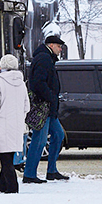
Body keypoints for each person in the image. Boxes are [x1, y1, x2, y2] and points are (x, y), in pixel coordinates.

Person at [25, 35, 69, 183]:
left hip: (49, 107)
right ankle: (29, 174)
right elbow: (38, 83)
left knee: (58, 135)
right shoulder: (44, 59)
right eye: (58, 46)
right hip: (44, 106)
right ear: (51, 45)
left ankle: (51, 171)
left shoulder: (46, 58)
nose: (60, 48)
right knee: (39, 140)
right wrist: (50, 97)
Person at [0, 54, 30, 194]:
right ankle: (2, 185)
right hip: (16, 126)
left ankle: (12, 187)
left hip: (1, 126)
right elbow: (26, 107)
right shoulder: (21, 83)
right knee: (8, 156)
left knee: (6, 160)